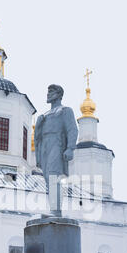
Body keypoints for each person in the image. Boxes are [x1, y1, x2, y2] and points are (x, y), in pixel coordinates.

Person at [35, 84, 78, 215]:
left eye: (51, 92)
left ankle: (56, 210)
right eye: (48, 92)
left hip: (57, 144)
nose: (48, 94)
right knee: (48, 179)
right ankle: (53, 208)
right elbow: (38, 137)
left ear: (59, 94)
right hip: (45, 147)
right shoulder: (44, 116)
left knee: (54, 177)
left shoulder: (65, 111)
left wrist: (70, 148)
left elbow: (72, 129)